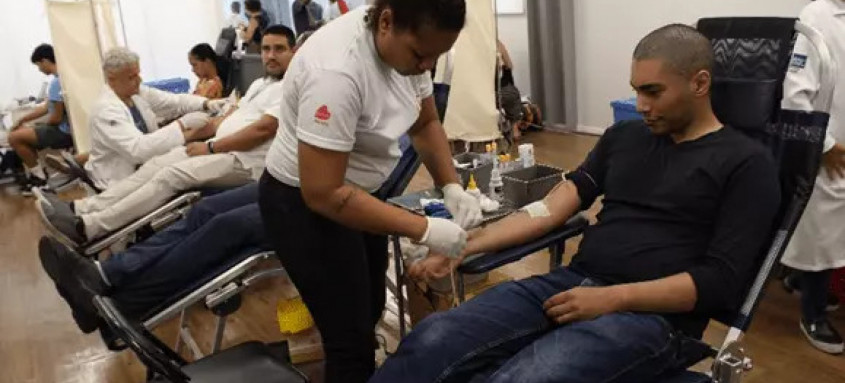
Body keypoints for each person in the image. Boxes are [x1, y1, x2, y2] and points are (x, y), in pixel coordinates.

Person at [371, 24, 782, 383]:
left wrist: (614, 299)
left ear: (699, 83)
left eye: (653, 92)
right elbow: (551, 208)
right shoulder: (625, 139)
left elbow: (718, 283)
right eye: (636, 90)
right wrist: (463, 246)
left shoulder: (747, 164)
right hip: (572, 285)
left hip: (654, 320)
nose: (640, 106)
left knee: (523, 378)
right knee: (433, 339)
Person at [259, 1, 477, 381]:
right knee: (350, 340)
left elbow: (425, 123)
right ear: (387, 22)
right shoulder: (336, 73)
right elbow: (324, 194)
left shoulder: (411, 47)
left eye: (436, 57)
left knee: (372, 306)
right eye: (421, 55)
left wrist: (451, 186)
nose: (427, 66)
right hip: (302, 203)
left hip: (360, 191)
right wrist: (422, 229)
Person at [38, 25, 296, 246]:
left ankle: (90, 227)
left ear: (293, 52)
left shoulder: (290, 87)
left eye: (279, 49)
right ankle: (82, 209)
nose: (270, 55)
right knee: (157, 164)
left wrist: (206, 143)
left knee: (171, 175)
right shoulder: (258, 85)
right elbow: (222, 120)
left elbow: (261, 130)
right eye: (265, 49)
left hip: (245, 161)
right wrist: (203, 123)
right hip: (220, 148)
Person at [38, 183, 265, 333]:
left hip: (299, 205)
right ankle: (104, 274)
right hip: (282, 179)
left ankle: (116, 306)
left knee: (228, 226)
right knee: (204, 209)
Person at [779, 0, 845, 355]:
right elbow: (795, 94)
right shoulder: (817, 15)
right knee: (822, 233)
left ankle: (802, 280)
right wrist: (825, 145)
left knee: (831, 234)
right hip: (826, 148)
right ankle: (813, 315)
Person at [83, 47, 224, 191]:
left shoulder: (136, 93)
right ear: (112, 79)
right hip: (118, 180)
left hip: (145, 168)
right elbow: (138, 150)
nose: (139, 80)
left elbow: (173, 101)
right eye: (131, 77)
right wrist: (182, 125)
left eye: (138, 74)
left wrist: (206, 104)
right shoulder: (106, 110)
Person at [8, 44, 74, 188]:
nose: (39, 69)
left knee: (14, 137)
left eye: (39, 65)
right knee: (24, 132)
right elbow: (46, 108)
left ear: (45, 61)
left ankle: (39, 177)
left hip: (64, 132)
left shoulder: (57, 83)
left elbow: (55, 118)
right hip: (65, 128)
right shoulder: (63, 77)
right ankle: (40, 174)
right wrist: (23, 119)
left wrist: (40, 126)